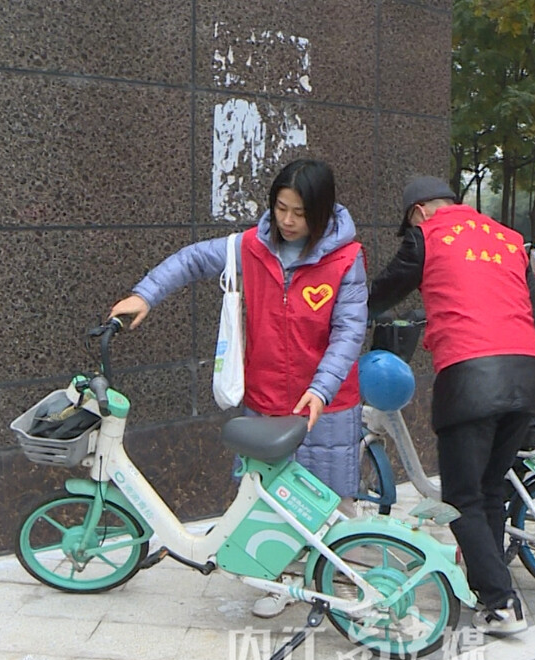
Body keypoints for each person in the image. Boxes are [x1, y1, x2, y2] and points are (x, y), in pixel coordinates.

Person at [109, 159, 367, 618]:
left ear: (323, 211)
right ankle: (280, 580)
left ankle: (344, 574)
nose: (288, 221)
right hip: (266, 398)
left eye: (300, 212)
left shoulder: (346, 259)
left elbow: (349, 330)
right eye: (281, 208)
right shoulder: (249, 247)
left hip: (325, 403)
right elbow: (190, 260)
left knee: (331, 496)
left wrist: (322, 388)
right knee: (267, 496)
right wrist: (144, 294)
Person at [368, 176, 535, 636]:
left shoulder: (427, 235)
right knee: (489, 490)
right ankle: (486, 592)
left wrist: (342, 317)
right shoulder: (509, 239)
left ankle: (502, 602)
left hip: (471, 378)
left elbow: (381, 294)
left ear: (418, 212)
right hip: (525, 377)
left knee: (460, 497)